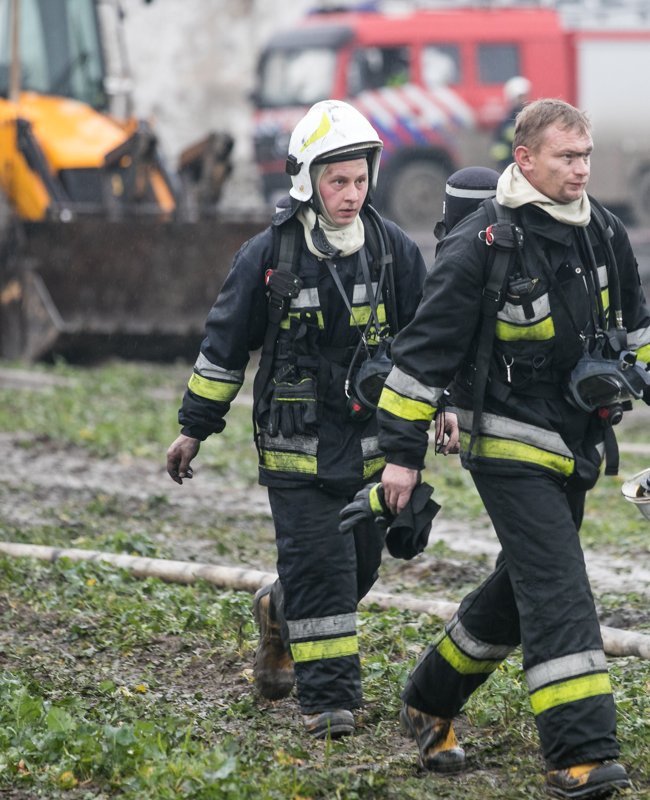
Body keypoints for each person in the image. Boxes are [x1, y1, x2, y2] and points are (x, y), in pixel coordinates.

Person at [375, 99, 650, 799]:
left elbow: (635, 326)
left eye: (586, 157)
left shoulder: (603, 232)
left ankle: (429, 698)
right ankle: (580, 753)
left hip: (576, 443)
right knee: (557, 587)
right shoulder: (483, 245)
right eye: (566, 158)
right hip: (507, 444)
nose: (581, 170)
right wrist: (401, 456)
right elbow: (418, 361)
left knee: (519, 595)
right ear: (524, 160)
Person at [164, 100, 448, 738]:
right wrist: (194, 428)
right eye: (337, 181)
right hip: (297, 450)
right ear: (307, 182)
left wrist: (442, 408)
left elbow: (426, 340)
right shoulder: (268, 256)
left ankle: (278, 608)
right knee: (321, 569)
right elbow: (223, 350)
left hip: (373, 449)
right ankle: (329, 702)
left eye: (360, 179)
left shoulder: (393, 250)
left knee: (359, 568)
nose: (352, 195)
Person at [491, 76, 531, 170]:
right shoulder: (506, 122)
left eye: (525, 96)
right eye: (520, 96)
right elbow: (499, 148)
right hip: (511, 165)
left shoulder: (530, 117)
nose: (524, 99)